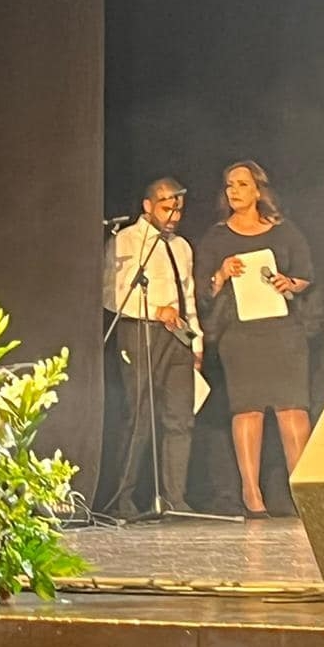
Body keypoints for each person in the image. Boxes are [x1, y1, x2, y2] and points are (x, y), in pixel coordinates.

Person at [194, 161, 315, 518]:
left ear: (258, 190)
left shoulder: (283, 231)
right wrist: (221, 273)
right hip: (240, 335)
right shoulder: (217, 237)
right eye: (229, 185)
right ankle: (252, 494)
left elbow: (306, 275)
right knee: (248, 409)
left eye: (242, 184)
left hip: (284, 332)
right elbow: (201, 290)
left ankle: (303, 492)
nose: (234, 191)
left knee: (292, 408)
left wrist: (289, 283)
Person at [101, 177, 204, 518]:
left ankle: (175, 499)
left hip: (178, 336)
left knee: (180, 418)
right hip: (140, 331)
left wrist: (197, 341)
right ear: (148, 206)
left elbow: (188, 295)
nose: (174, 216)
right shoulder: (127, 240)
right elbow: (111, 295)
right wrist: (155, 311)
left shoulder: (182, 246)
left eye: (178, 210)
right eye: (167, 208)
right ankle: (123, 499)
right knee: (140, 414)